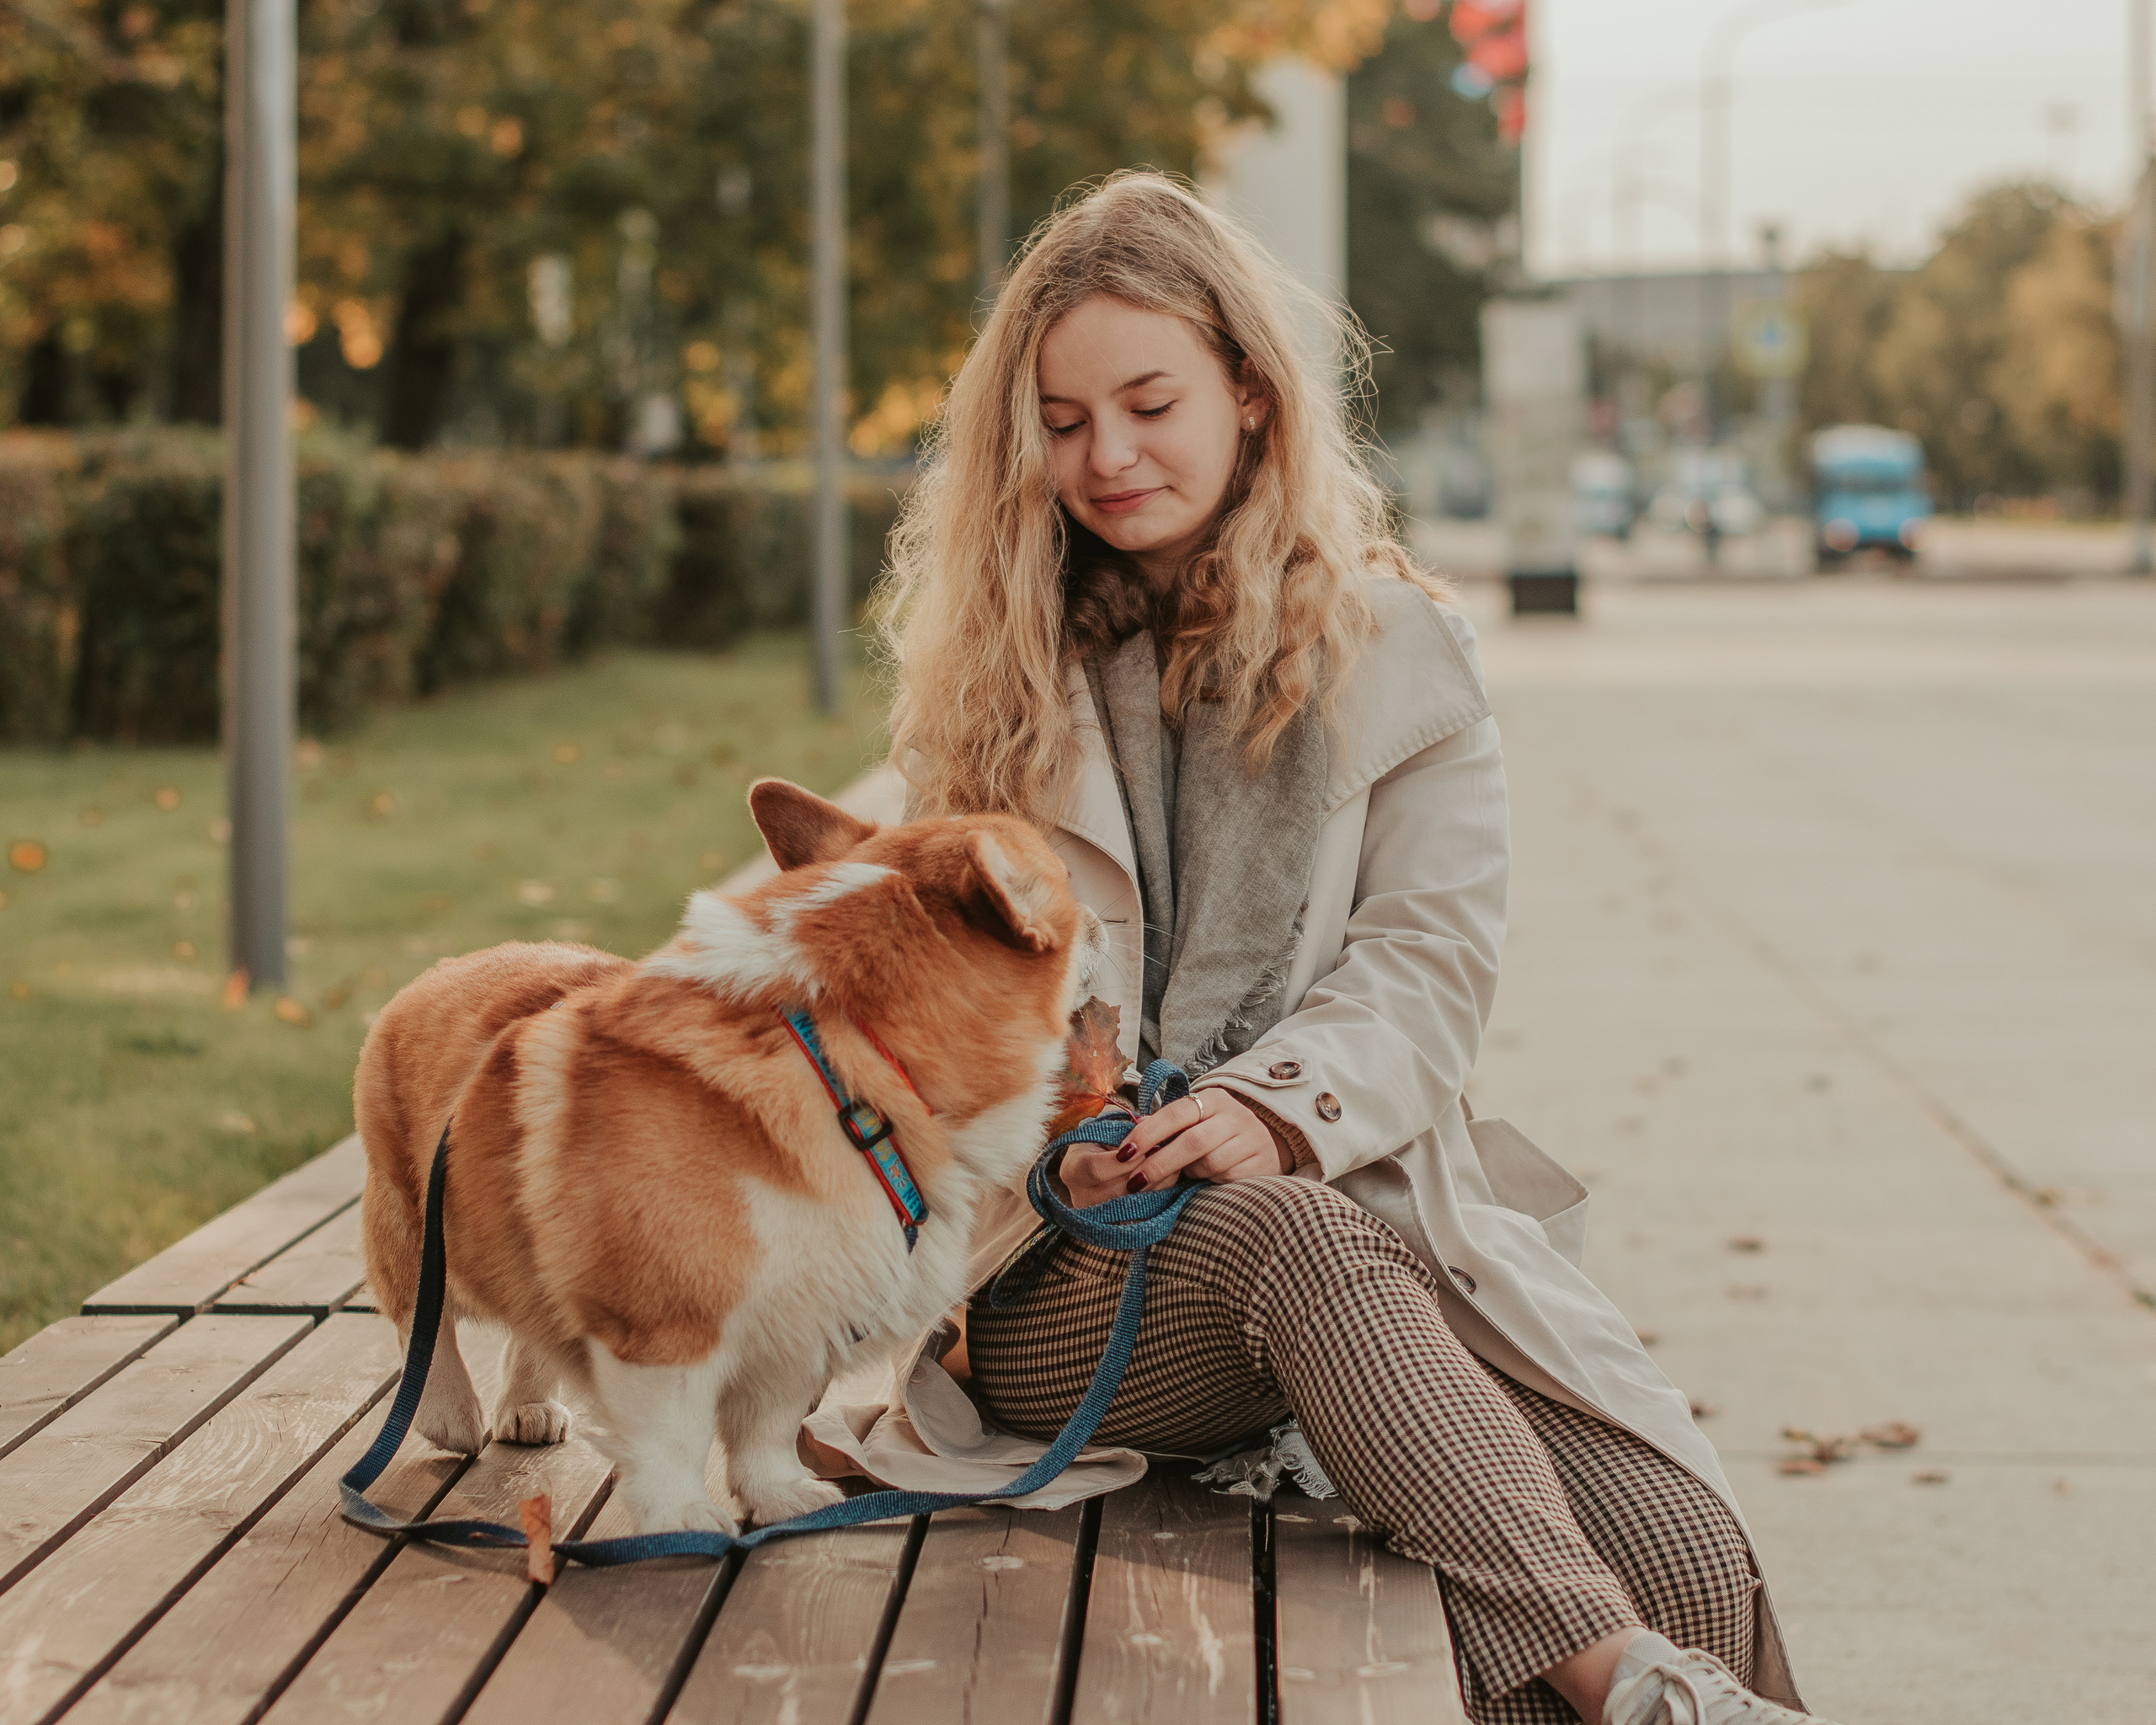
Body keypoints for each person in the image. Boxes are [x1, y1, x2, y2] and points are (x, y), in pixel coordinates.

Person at [862, 173, 1836, 1725]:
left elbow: (1429, 966)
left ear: (1251, 395)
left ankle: (1650, 1660)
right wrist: (1064, 1145)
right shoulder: (995, 689)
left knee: (1689, 1561)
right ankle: (1632, 1683)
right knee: (1307, 1269)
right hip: (1067, 1279)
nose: (1105, 455)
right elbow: (930, 1009)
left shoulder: (1402, 658)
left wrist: (1273, 1110)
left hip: (1376, 1231)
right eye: (1060, 420)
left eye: (1149, 401)